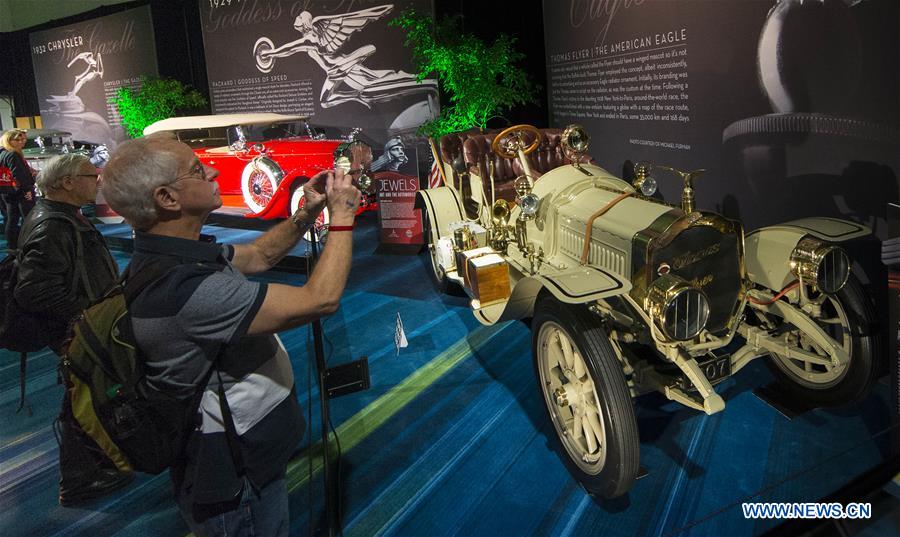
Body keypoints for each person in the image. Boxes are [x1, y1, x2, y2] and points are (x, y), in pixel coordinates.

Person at [100, 133, 361, 536]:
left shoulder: (170, 256)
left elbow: (260, 255)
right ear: (168, 198)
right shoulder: (186, 290)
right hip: (232, 477)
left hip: (243, 459)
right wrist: (342, 216)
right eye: (196, 170)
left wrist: (306, 213)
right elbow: (320, 299)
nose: (213, 169)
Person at [13, 153, 132, 505]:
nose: (97, 181)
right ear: (66, 182)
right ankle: (80, 479)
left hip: (81, 328)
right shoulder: (53, 225)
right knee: (81, 399)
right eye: (90, 175)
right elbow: (32, 289)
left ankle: (95, 467)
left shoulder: (60, 218)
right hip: (76, 330)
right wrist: (84, 316)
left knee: (87, 396)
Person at [0, 129, 36, 249]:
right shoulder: (13, 154)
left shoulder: (3, 153)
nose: (22, 142)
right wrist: (27, 191)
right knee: (27, 219)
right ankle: (28, 244)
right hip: (20, 193)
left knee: (12, 219)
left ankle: (12, 245)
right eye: (18, 139)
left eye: (24, 139)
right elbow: (19, 175)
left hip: (8, 192)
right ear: (9, 140)